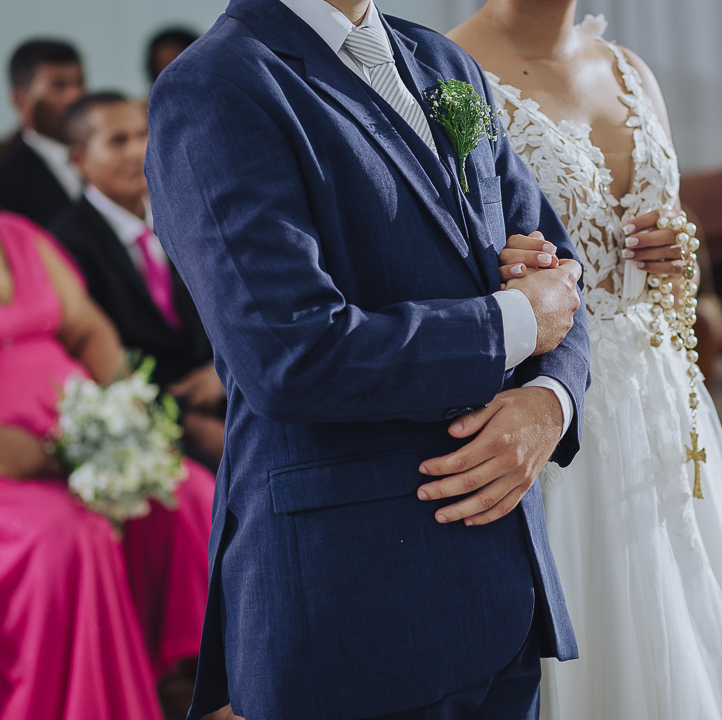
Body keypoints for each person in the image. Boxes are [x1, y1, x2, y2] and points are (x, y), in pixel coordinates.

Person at [144, 0, 591, 718]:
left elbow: (557, 274)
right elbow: (292, 355)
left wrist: (550, 402)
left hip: (503, 586)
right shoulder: (216, 86)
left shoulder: (442, 61)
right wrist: (513, 323)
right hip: (354, 599)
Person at [449, 6, 722, 719]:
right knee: (597, 605)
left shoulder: (628, 68)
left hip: (664, 392)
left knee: (689, 612)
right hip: (557, 398)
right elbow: (445, 253)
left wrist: (679, 248)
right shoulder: (451, 77)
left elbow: (675, 236)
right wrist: (503, 269)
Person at [0, 211, 218, 720]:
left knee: (186, 491)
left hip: (81, 444)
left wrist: (124, 415)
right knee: (70, 538)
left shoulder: (20, 236)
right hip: (12, 475)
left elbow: (88, 328)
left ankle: (205, 685)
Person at [50, 92, 224, 467]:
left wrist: (221, 372)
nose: (136, 151)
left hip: (224, 390)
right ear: (79, 159)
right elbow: (90, 361)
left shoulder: (185, 210)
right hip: (142, 423)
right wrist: (187, 423)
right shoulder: (62, 245)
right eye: (118, 141)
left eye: (142, 134)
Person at [0, 40, 85, 226]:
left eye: (80, 82)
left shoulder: (105, 155)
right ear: (21, 100)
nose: (76, 95)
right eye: (59, 86)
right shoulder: (6, 178)